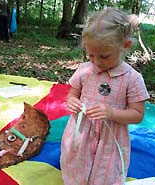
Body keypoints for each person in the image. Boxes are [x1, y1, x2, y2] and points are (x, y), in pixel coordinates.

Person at [60, 8, 150, 185]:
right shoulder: (85, 70)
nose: (97, 62)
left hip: (111, 139)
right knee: (75, 166)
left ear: (125, 46)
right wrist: (72, 101)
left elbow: (137, 114)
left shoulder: (132, 78)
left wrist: (111, 113)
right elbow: (72, 93)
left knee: (106, 173)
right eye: (91, 55)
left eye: (104, 56)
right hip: (81, 133)